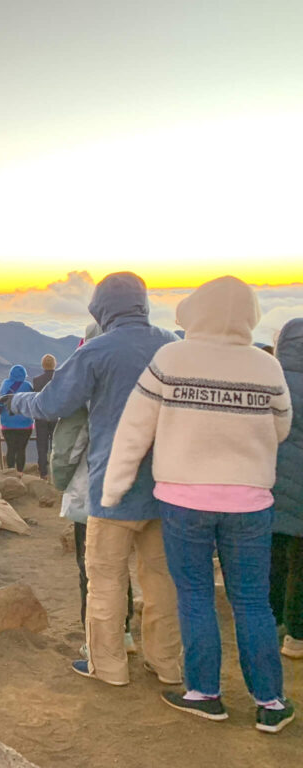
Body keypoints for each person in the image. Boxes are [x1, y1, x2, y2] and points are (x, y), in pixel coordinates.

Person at [102, 276, 294, 732]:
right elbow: (281, 427)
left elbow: (134, 430)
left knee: (194, 597)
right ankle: (270, 702)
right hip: (249, 502)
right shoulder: (266, 366)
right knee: (252, 602)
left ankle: (204, 693)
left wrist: (114, 489)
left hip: (183, 500)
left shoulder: (171, 358)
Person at [4, 272, 181, 689]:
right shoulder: (174, 346)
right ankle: (168, 664)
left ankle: (109, 666)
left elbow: (53, 404)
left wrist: (15, 400)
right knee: (161, 583)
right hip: (167, 485)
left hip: (111, 488)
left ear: (101, 308)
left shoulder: (96, 351)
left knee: (105, 580)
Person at [52, 324, 136, 657]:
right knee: (127, 566)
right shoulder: (142, 372)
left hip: (94, 489)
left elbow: (68, 446)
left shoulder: (84, 386)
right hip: (139, 488)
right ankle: (127, 632)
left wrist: (60, 481)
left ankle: (102, 643)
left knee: (94, 567)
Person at [271, 318, 303, 661]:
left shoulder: (270, 379)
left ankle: (273, 620)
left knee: (273, 556)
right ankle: (297, 636)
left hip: (271, 481)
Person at [0, 366, 34, 472]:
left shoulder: (5, 384)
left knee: (11, 448)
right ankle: (20, 473)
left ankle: (11, 472)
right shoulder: (27, 385)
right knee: (21, 449)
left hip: (7, 423)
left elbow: (2, 395)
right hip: (25, 423)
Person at [33, 355, 58, 480]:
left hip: (41, 417)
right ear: (54, 364)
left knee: (41, 446)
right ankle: (56, 471)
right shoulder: (60, 380)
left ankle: (43, 473)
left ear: (43, 365)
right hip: (56, 416)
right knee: (56, 445)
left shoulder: (36, 381)